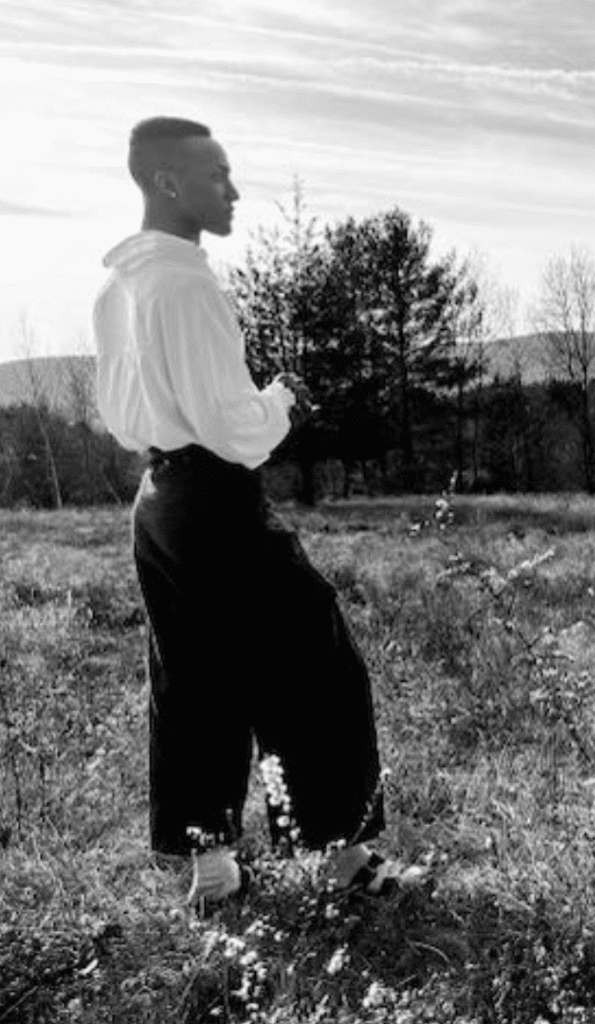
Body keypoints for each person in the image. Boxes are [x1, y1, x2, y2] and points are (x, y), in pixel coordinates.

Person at [93, 116, 399, 907]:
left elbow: (123, 410)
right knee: (318, 665)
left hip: (157, 502)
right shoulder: (185, 282)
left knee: (194, 679)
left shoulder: (119, 284)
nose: (231, 191)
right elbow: (235, 431)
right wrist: (282, 399)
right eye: (216, 175)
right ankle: (340, 861)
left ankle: (213, 869)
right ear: (167, 182)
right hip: (215, 497)